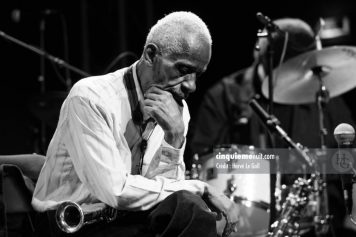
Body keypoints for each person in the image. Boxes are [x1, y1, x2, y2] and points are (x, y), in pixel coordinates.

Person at [31, 11, 240, 237]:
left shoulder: (177, 110)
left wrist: (174, 137)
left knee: (188, 210)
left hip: (124, 224)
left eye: (197, 75)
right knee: (191, 206)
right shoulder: (90, 97)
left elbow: (165, 197)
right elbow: (115, 191)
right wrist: (200, 186)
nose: (191, 86)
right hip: (70, 225)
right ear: (151, 54)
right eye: (183, 70)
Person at [189, 17, 356, 236]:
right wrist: (271, 163)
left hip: (317, 224)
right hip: (245, 223)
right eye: (287, 69)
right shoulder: (225, 96)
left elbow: (350, 156)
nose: (293, 77)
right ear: (262, 58)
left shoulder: (324, 97)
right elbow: (201, 161)